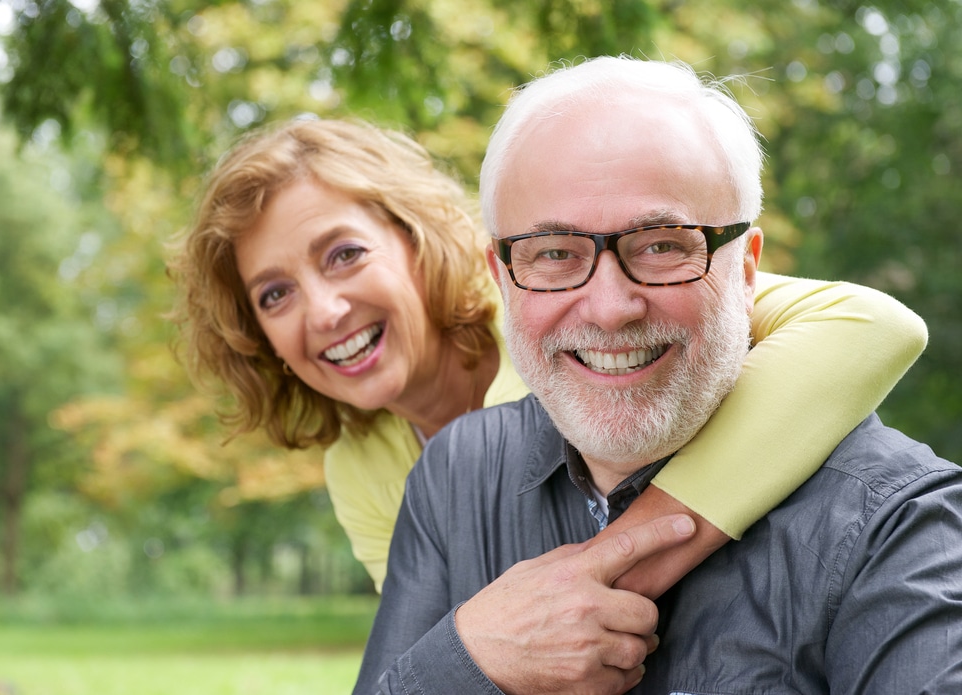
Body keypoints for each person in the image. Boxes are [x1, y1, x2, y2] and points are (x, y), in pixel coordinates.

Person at [353, 56, 962, 694]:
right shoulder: (459, 472)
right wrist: (469, 658)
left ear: (747, 270)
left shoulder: (900, 528)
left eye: (663, 245)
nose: (611, 309)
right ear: (503, 276)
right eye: (555, 254)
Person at [170, 117, 926, 597]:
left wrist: (641, 545)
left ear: (418, 239)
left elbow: (874, 324)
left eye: (343, 254)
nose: (323, 311)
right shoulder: (362, 469)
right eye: (274, 295)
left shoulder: (565, 308)